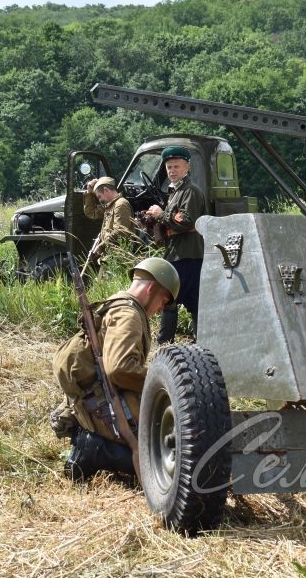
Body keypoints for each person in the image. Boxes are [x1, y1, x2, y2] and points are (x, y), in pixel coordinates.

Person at [51, 257, 179, 480]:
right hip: (102, 401)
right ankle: (91, 447)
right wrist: (163, 381)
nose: (160, 310)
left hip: (99, 397)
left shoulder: (119, 304)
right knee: (157, 455)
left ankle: (93, 442)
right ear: (150, 289)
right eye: (163, 301)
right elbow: (119, 369)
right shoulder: (129, 315)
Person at [143, 147, 205, 344]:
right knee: (193, 301)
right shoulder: (177, 192)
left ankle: (164, 344)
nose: (172, 170)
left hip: (185, 254)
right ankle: (201, 342)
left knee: (170, 298)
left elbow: (186, 221)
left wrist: (160, 214)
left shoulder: (190, 191)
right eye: (169, 167)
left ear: (187, 167)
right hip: (181, 253)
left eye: (176, 166)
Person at [83, 175, 138, 269]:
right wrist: (89, 192)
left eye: (99, 196)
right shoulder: (109, 206)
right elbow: (90, 212)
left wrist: (101, 246)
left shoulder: (120, 204)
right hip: (112, 256)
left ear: (106, 190)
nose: (100, 200)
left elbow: (121, 231)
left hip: (120, 258)